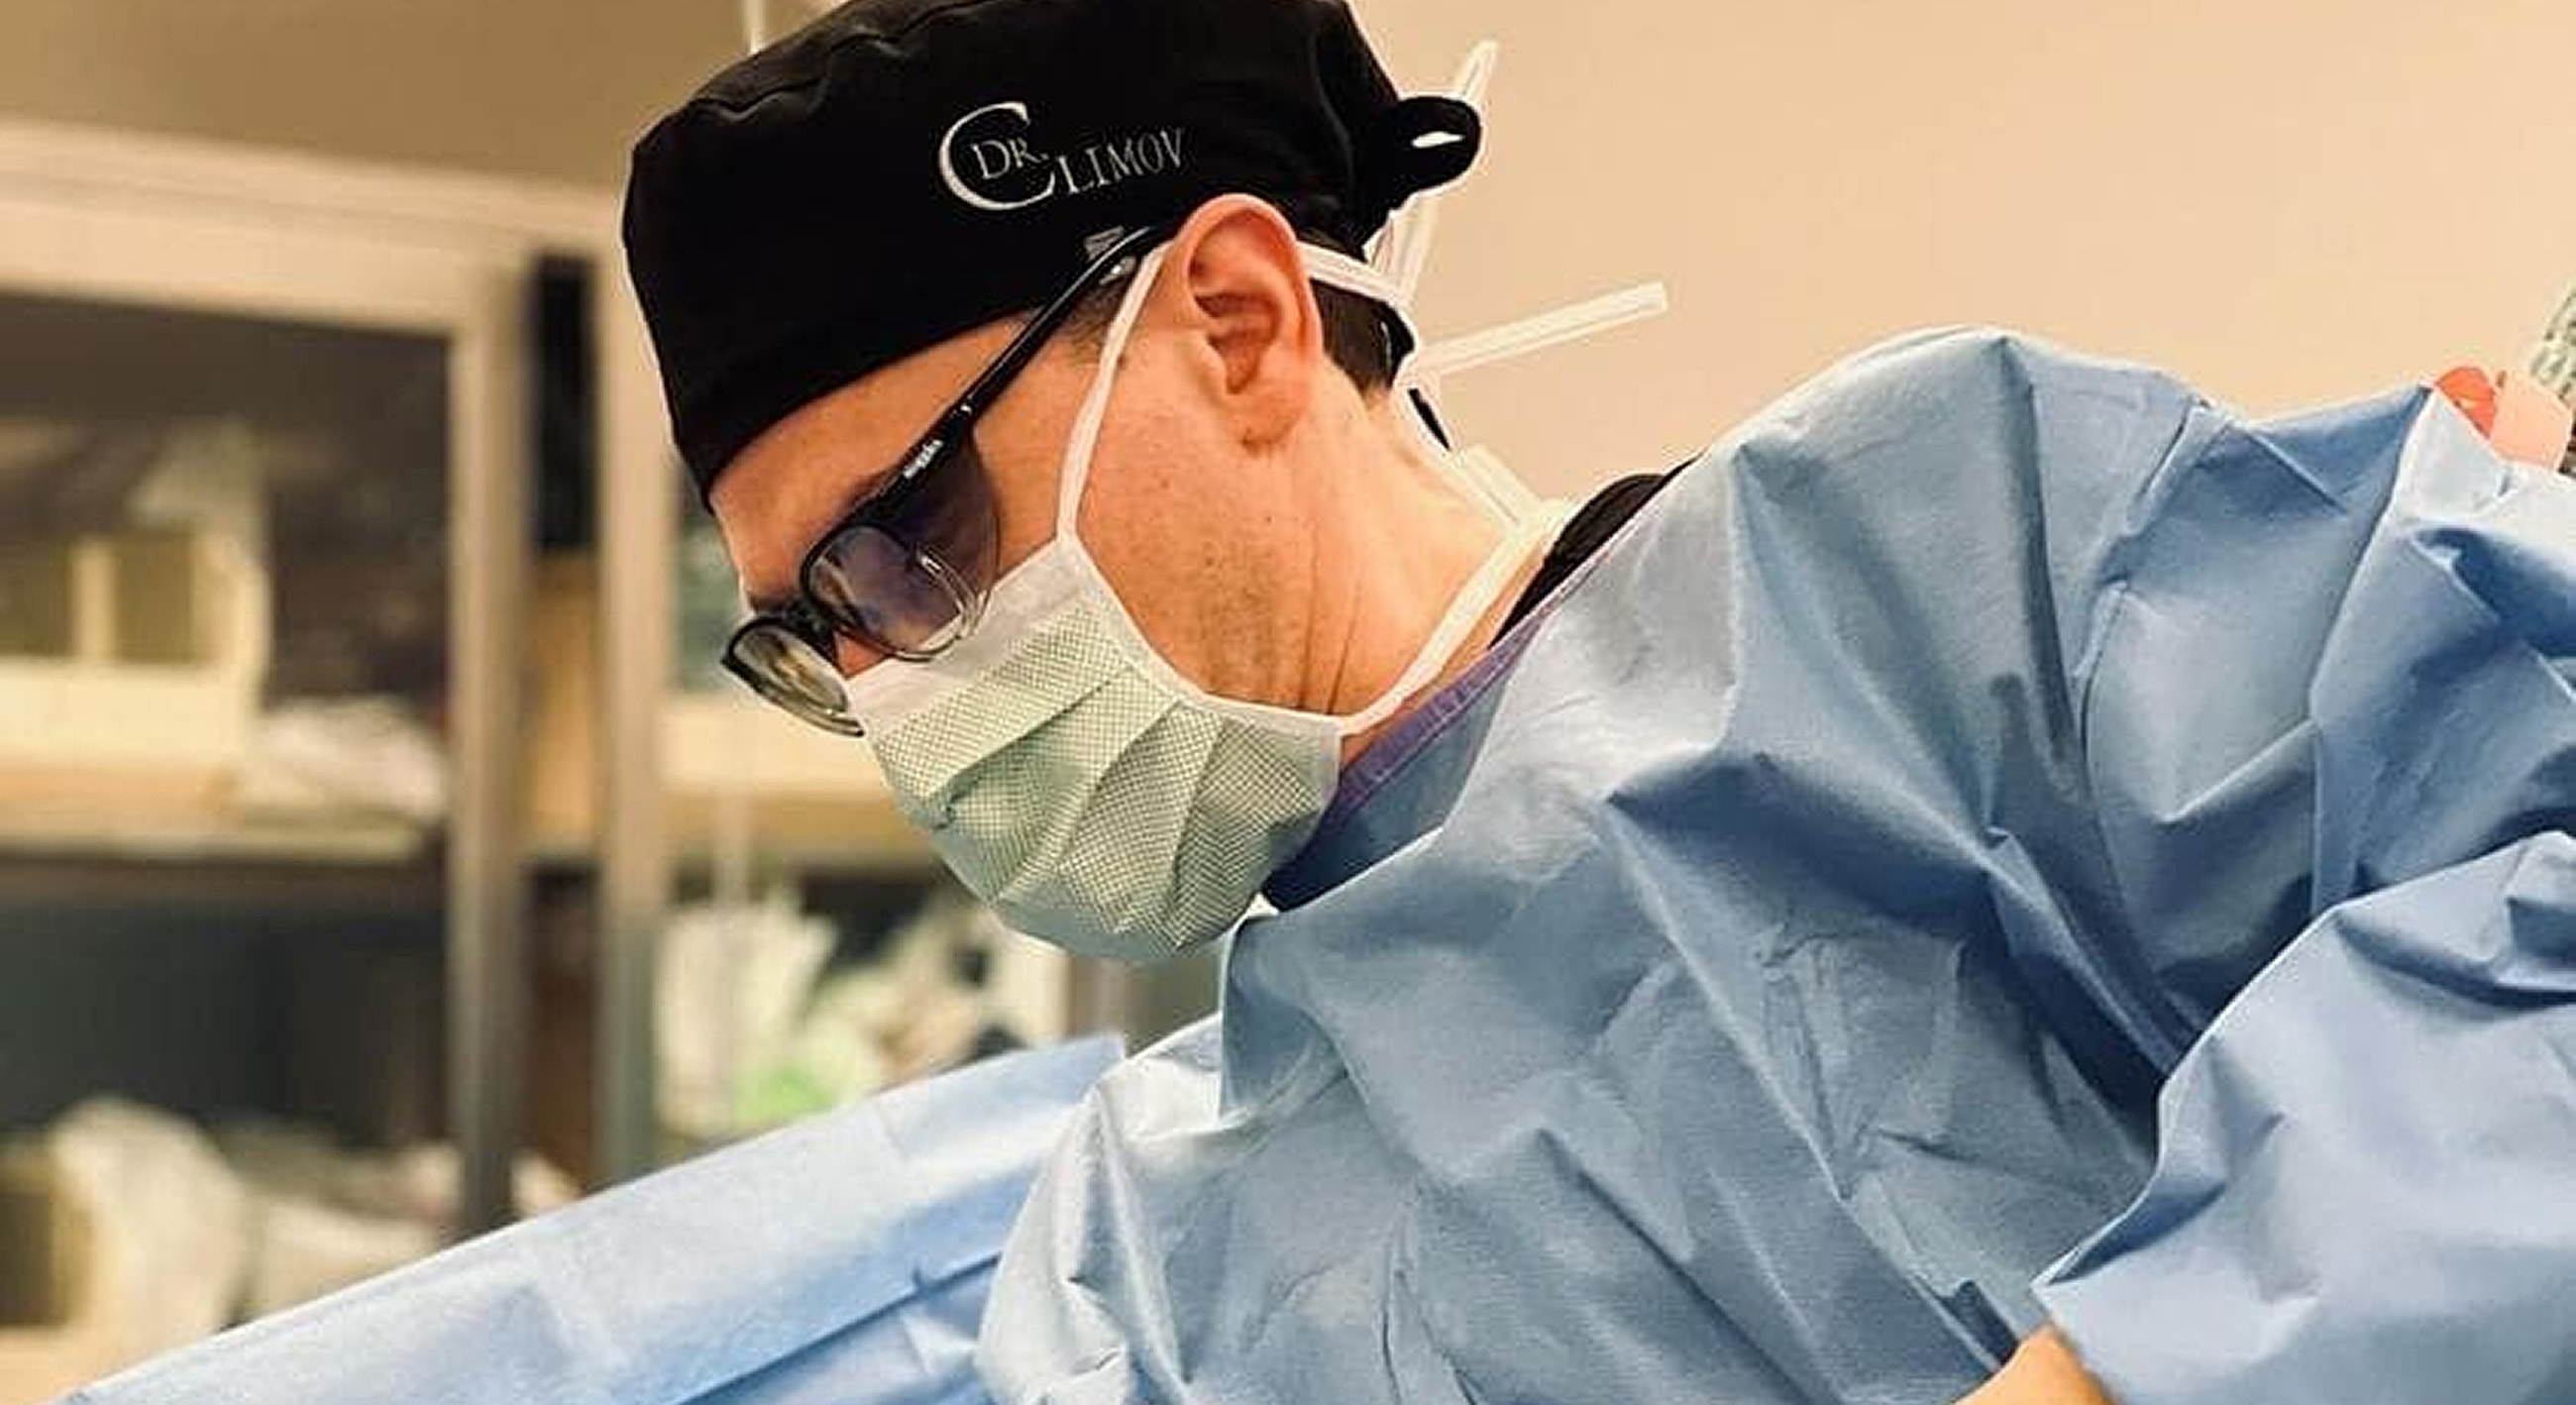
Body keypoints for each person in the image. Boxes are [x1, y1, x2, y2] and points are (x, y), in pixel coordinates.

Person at [623, 1, 2576, 1402]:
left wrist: (2126, 1365)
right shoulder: (1141, 1260)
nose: (898, 693)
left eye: (902, 541)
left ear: (1234, 321)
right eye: (821, 636)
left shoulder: (1935, 560)